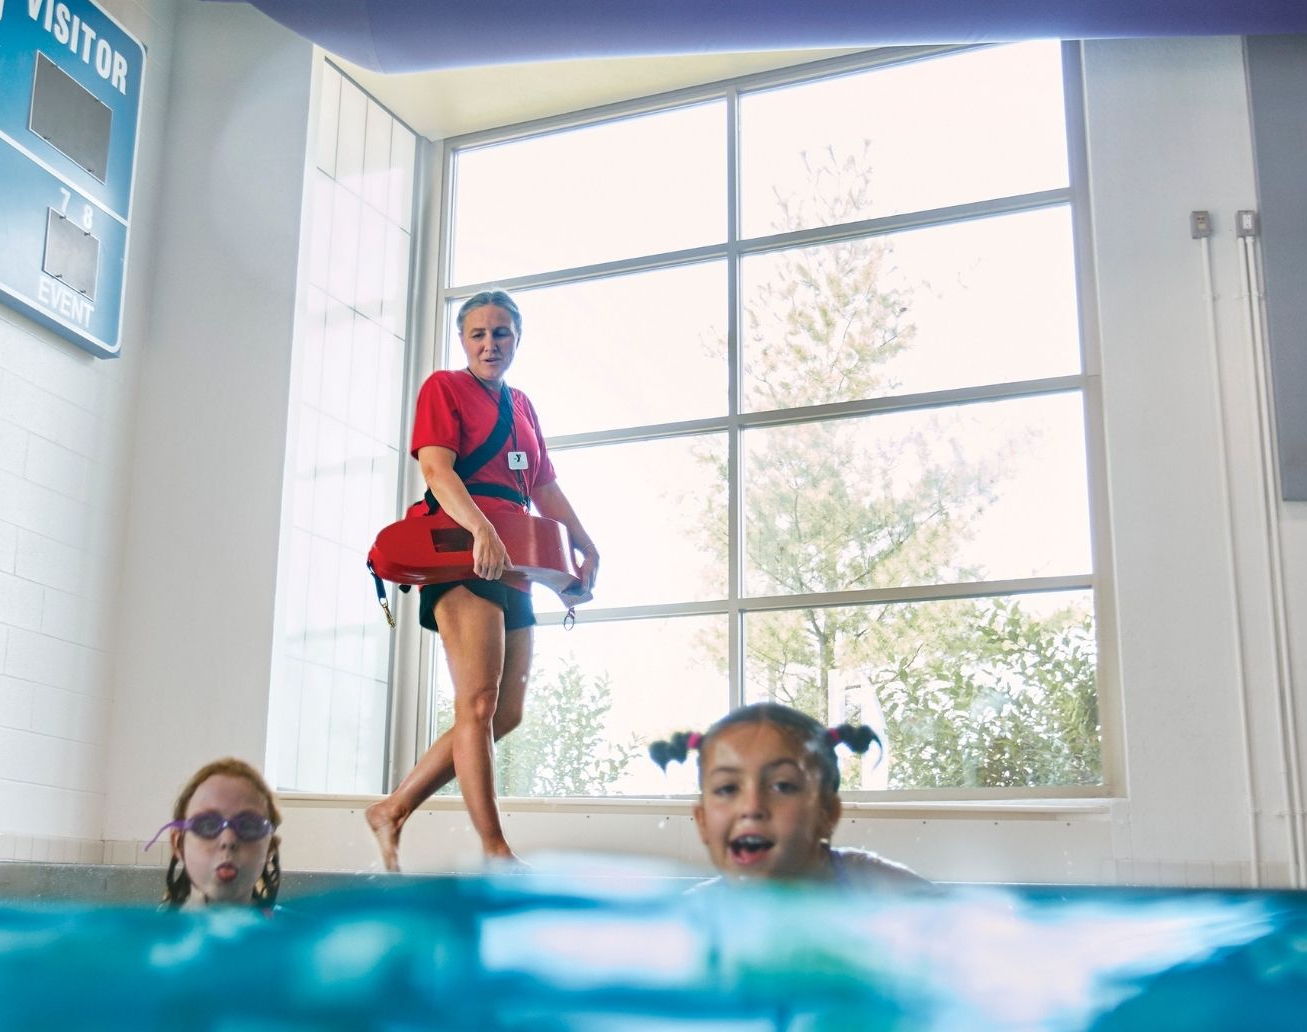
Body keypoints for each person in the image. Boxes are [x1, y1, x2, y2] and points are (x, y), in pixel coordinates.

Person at [365, 290, 600, 869]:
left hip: (514, 556)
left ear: (517, 339)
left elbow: (542, 488)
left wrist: (583, 544)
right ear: (463, 340)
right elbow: (436, 469)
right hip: (459, 549)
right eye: (478, 334)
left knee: (507, 711)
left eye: (501, 333)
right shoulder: (443, 389)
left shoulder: (523, 405)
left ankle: (392, 808)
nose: (490, 343)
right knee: (476, 702)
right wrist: (479, 531)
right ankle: (495, 849)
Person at [650, 702, 929, 890]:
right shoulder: (694, 918)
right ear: (701, 821)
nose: (752, 807)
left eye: (782, 786)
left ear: (827, 813)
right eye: (727, 788)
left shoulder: (883, 890)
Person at [148, 757, 283, 910]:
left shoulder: (298, 931)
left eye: (248, 826)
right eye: (207, 824)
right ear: (178, 843)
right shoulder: (145, 932)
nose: (228, 840)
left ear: (269, 848)